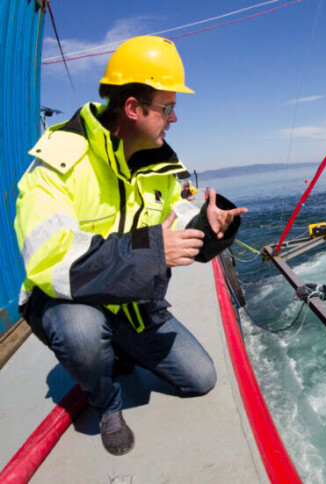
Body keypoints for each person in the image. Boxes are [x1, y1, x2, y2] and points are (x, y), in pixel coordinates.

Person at [14, 36, 246, 456]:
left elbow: (174, 223)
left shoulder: (158, 165)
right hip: (69, 299)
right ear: (134, 108)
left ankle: (117, 347)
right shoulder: (59, 160)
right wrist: (152, 251)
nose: (174, 118)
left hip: (130, 304)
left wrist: (210, 227)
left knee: (201, 378)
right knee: (82, 333)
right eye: (167, 108)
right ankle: (106, 402)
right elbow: (52, 257)